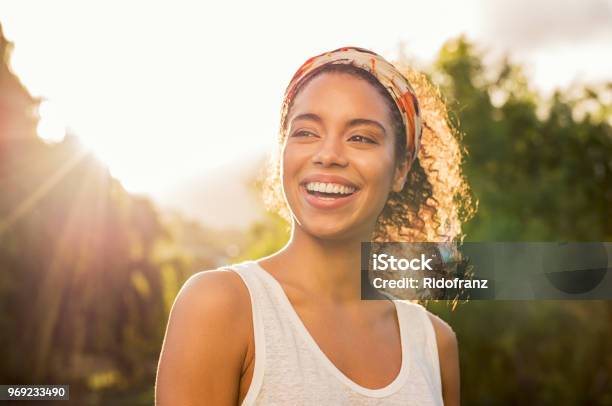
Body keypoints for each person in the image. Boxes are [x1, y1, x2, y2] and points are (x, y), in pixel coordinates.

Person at [156, 46, 472, 405]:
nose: (328, 155)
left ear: (400, 168)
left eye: (361, 138)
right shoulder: (219, 306)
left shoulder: (434, 344)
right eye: (306, 132)